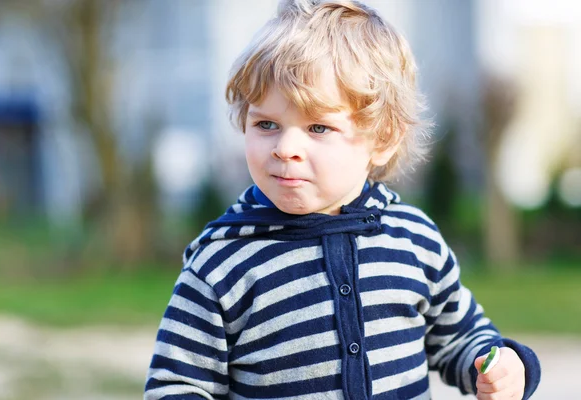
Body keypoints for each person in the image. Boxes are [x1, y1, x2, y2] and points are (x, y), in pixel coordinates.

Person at [144, 1, 541, 399]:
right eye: (266, 124)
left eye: (318, 127)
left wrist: (501, 366)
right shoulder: (221, 264)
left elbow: (461, 336)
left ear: (383, 139)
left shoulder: (413, 240)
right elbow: (177, 385)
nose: (285, 148)